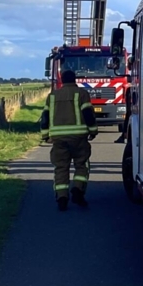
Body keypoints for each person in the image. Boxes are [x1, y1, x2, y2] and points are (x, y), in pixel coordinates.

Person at [44, 69, 98, 211]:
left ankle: (62, 197)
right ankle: (78, 189)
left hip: (58, 139)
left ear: (62, 80)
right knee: (82, 165)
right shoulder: (82, 94)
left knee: (61, 167)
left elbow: (44, 118)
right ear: (75, 80)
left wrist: (45, 135)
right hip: (79, 138)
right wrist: (93, 131)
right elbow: (88, 114)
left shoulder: (52, 96)